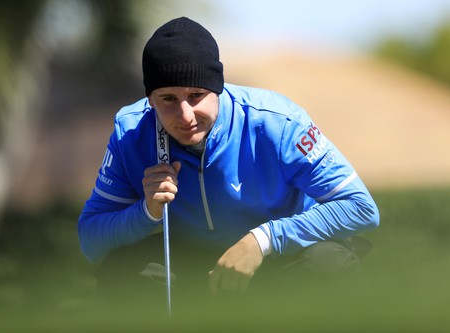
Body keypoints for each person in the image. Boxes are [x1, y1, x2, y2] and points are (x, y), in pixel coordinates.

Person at [77, 17, 379, 308]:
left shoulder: (278, 122)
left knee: (328, 264)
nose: (185, 116)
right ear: (151, 99)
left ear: (217, 88)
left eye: (196, 95)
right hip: (195, 263)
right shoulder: (130, 131)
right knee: (122, 270)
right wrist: (146, 211)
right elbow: (91, 239)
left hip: (278, 256)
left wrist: (264, 239)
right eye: (168, 99)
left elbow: (361, 208)